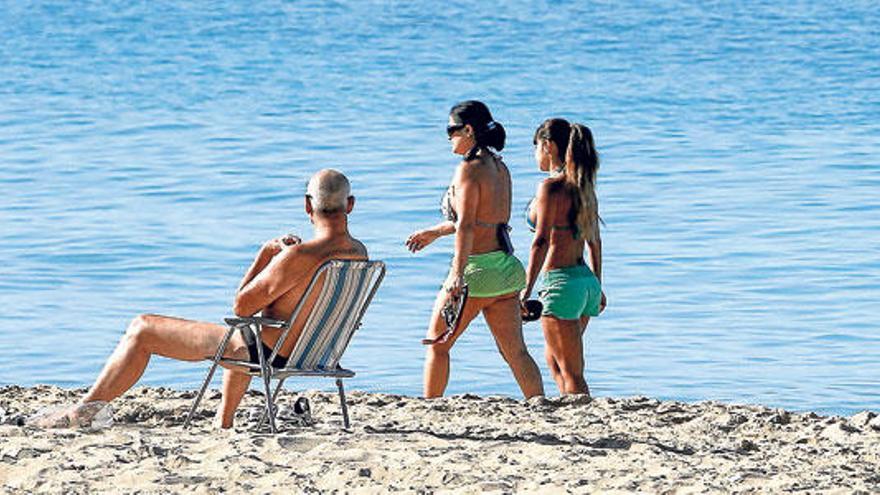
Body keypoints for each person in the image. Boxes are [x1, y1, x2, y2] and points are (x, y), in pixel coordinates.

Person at [39, 169, 367, 428]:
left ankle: (84, 410)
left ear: (307, 205)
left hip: (267, 355)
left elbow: (241, 306)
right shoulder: (359, 255)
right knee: (246, 332)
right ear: (349, 205)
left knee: (142, 328)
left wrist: (266, 254)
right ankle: (223, 422)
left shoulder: (298, 256)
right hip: (316, 353)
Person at [406, 100, 544, 399]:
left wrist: (457, 274)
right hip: (506, 272)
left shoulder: (468, 170)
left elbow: (468, 225)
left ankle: (429, 408)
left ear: (468, 130)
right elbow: (487, 222)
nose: (448, 137)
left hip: (476, 272)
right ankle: (540, 405)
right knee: (516, 353)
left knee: (437, 344)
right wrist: (435, 232)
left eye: (451, 130)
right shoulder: (500, 168)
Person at [521, 118, 606, 396]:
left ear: (548, 146)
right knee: (554, 359)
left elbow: (541, 242)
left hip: (561, 283)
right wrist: (598, 285)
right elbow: (595, 241)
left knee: (571, 370)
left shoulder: (550, 188)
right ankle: (571, 412)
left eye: (536, 148)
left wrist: (526, 291)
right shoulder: (584, 186)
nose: (535, 155)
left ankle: (584, 420)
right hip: (585, 283)